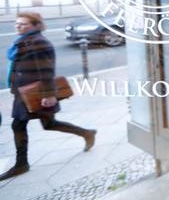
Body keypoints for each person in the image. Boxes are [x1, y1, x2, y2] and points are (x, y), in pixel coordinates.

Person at [0, 12, 97, 181]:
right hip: (25, 92)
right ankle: (86, 133)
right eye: (17, 23)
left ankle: (21, 164)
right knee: (47, 124)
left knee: (19, 125)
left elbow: (46, 70)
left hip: (35, 93)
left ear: (36, 25)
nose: (18, 26)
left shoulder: (39, 42)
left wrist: (48, 94)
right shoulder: (23, 41)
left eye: (23, 24)